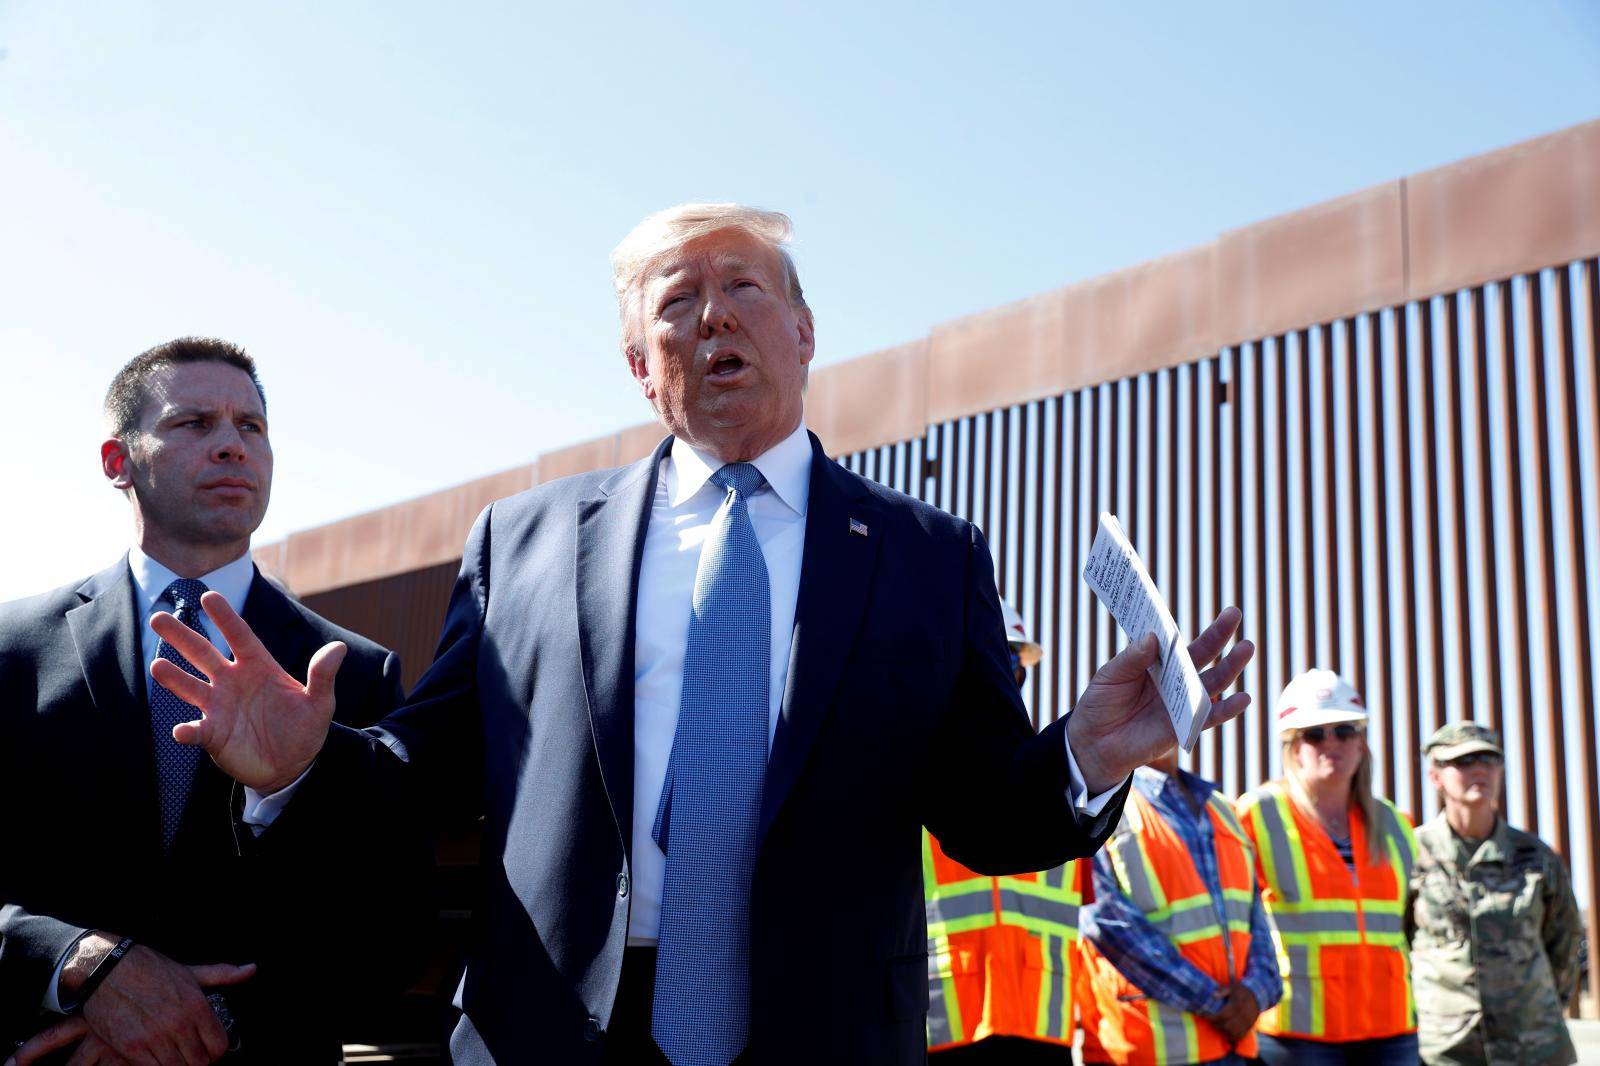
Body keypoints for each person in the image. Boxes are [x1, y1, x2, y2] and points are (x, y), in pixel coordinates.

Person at [146, 204, 1256, 1064]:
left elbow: (980, 808)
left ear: (805, 330)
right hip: (552, 1032)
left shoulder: (927, 556)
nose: (715, 316)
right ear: (640, 364)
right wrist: (308, 766)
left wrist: (1085, 755)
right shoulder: (524, 541)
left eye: (745, 289)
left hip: (817, 1031)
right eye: (679, 301)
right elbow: (428, 773)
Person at [0, 338, 426, 1064]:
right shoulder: (13, 647)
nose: (233, 446)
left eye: (251, 427)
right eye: (194, 423)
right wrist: (73, 966)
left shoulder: (351, 674)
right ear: (117, 463)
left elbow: (392, 934)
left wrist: (203, 1019)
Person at [924, 602, 1084, 1062]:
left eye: (1011, 659)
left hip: (1041, 1025)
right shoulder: (918, 763)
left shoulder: (1056, 775)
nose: (1001, 670)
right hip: (944, 1023)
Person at [1235, 669, 1418, 1066]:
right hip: (1297, 1034)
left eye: (1345, 730)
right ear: (1293, 746)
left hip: (1392, 1031)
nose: (1330, 742)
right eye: (1314, 733)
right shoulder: (1257, 814)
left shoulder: (1397, 825)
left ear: (1361, 741)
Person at [1078, 740, 1280, 1066]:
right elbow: (1106, 923)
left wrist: (1257, 992)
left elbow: (1253, 915)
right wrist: (1217, 1005)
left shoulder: (1222, 808)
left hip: (1232, 1046)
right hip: (1147, 1049)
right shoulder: (1102, 807)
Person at [1407, 722, 1582, 1065]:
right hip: (1445, 1049)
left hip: (1533, 1046)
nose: (1479, 769)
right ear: (1436, 776)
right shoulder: (1412, 855)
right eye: (1464, 761)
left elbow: (1565, 943)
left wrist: (1536, 1007)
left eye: (1488, 759)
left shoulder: (1535, 856)